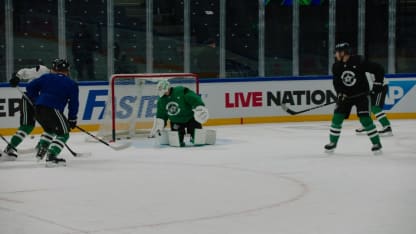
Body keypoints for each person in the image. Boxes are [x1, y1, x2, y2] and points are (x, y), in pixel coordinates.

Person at [325, 42, 382, 153]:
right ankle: (333, 143)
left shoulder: (359, 61)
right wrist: (340, 93)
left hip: (361, 96)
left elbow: (378, 69)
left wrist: (378, 84)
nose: (335, 55)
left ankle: (376, 143)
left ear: (343, 53)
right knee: (337, 118)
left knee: (365, 120)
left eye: (337, 52)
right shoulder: (336, 66)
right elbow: (336, 82)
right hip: (346, 97)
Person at [26, 58, 79, 167]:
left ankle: (41, 152)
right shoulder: (71, 84)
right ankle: (51, 156)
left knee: (49, 130)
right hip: (53, 109)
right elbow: (74, 103)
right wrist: (72, 119)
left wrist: (37, 99)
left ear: (53, 69)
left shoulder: (46, 77)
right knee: (64, 134)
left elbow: (30, 87)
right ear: (67, 70)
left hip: (38, 109)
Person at [0, 65, 50, 161]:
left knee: (50, 126)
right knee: (27, 126)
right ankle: (9, 149)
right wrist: (17, 77)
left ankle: (42, 146)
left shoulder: (60, 79)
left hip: (43, 103)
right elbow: (23, 71)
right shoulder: (42, 70)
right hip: (29, 100)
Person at [149, 79, 209, 147]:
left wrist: (199, 106)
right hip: (176, 121)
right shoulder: (161, 101)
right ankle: (180, 139)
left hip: (190, 118)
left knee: (198, 139)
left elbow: (193, 97)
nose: (164, 93)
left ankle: (195, 137)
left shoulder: (180, 91)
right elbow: (161, 114)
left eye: (165, 91)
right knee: (176, 142)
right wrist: (159, 125)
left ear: (168, 87)